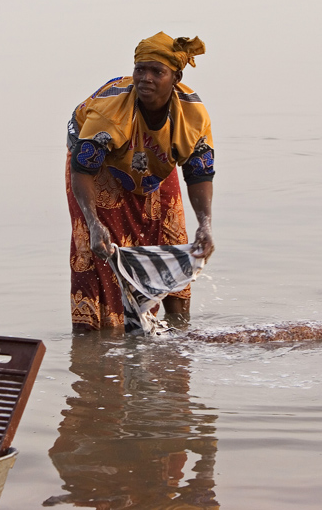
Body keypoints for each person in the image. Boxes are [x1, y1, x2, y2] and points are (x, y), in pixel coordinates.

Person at [66, 32, 216, 331]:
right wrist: (94, 224)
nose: (145, 78)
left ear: (175, 77)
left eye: (156, 72)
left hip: (154, 161)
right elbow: (83, 170)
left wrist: (206, 223)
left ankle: (178, 335)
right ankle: (104, 338)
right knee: (103, 250)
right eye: (140, 70)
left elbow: (198, 174)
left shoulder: (191, 114)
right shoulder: (111, 112)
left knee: (173, 237)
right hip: (99, 168)